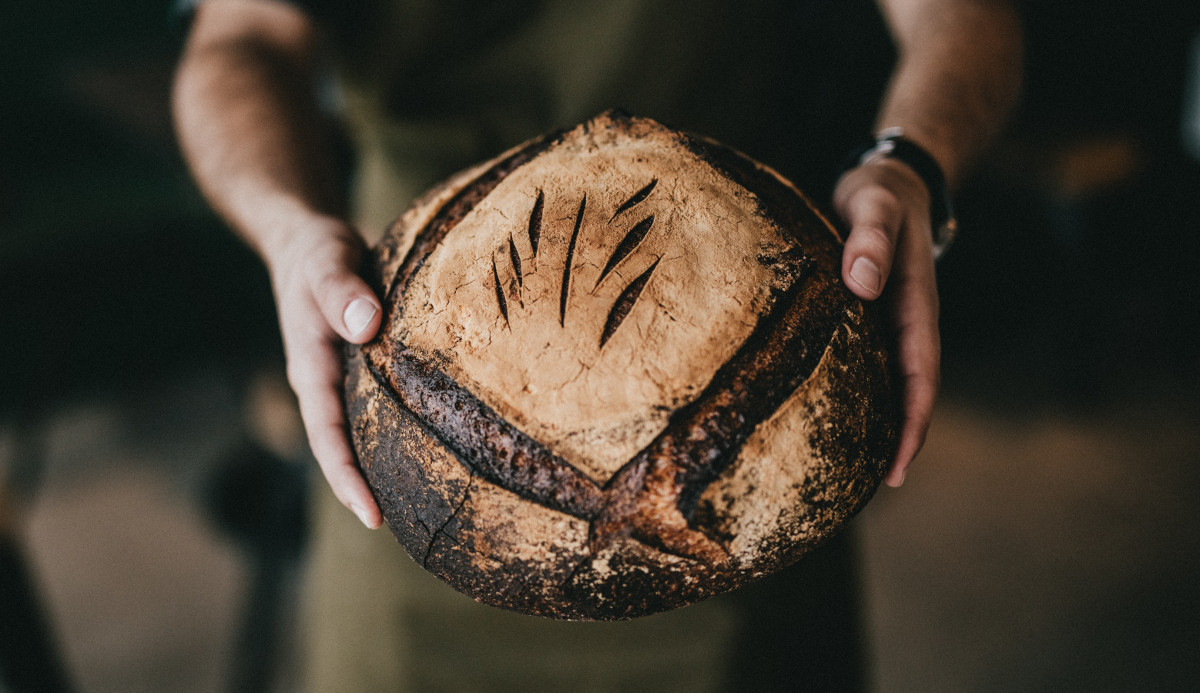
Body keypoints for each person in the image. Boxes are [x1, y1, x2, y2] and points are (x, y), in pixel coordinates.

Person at [173, 1, 1023, 689]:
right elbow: (237, 40)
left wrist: (909, 162)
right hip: (417, 388)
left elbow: (966, 16)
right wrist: (291, 232)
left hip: (732, 329)